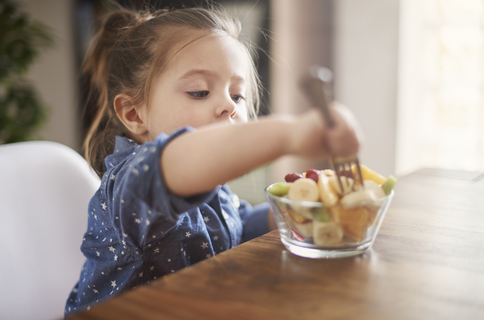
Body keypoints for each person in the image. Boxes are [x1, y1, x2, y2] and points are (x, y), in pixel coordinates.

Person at [65, 5, 363, 317]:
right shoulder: (132, 185)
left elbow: (234, 227)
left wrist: (292, 212)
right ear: (133, 114)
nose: (228, 106)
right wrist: (291, 133)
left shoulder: (209, 183)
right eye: (199, 92)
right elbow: (183, 157)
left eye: (237, 95)